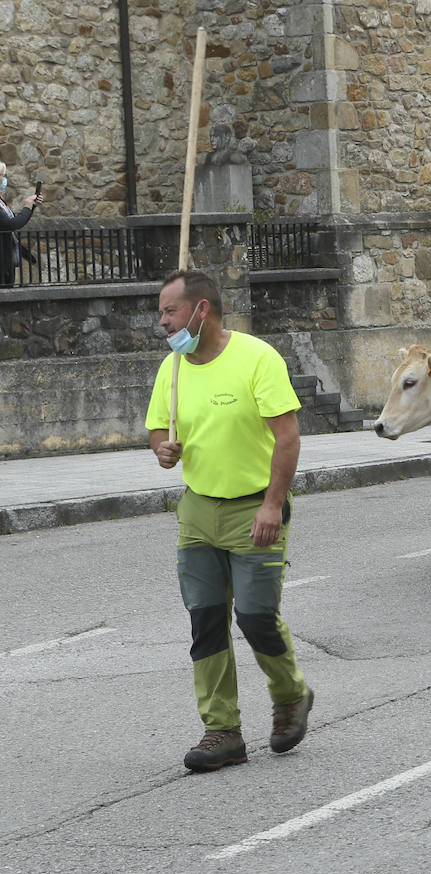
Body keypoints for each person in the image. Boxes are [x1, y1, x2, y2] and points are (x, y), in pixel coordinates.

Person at [145, 269, 314, 773]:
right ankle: (222, 731)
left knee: (257, 615)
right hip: (199, 509)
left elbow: (287, 438)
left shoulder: (257, 358)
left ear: (202, 310)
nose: (162, 322)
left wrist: (271, 505)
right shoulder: (173, 367)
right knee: (206, 618)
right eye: (161, 312)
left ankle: (291, 696)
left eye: (169, 311)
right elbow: (157, 427)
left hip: (255, 505)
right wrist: (163, 449)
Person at [0, 162, 43, 287]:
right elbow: (11, 224)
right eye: (1, 176)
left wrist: (31, 206)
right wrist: (27, 207)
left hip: (6, 257)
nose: (3, 180)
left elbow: (15, 220)